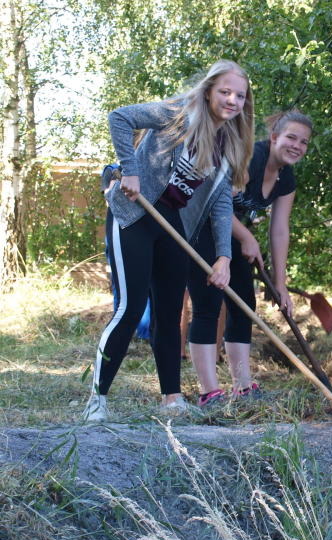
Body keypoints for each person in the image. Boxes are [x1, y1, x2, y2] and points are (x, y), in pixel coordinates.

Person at [82, 59, 255, 421]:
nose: (232, 100)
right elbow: (120, 117)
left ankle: (171, 399)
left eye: (239, 95)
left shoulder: (228, 143)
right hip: (134, 213)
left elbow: (221, 203)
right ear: (209, 90)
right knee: (130, 308)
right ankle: (97, 399)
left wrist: (223, 256)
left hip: (173, 225)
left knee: (170, 312)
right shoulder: (179, 112)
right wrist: (129, 171)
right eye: (225, 91)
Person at [187, 110, 312, 407]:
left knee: (245, 305)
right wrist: (246, 237)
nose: (296, 145)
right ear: (274, 138)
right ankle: (209, 392)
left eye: (303, 142)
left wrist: (280, 284)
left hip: (232, 233)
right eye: (291, 137)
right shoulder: (251, 158)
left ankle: (243, 386)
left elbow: (280, 229)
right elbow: (214, 201)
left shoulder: (286, 178)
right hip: (200, 227)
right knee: (208, 304)